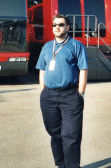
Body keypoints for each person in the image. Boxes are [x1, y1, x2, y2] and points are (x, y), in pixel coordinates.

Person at [36, 14, 89, 168]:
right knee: (55, 134)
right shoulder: (46, 47)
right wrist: (43, 91)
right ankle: (61, 165)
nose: (57, 27)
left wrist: (81, 93)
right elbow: (42, 69)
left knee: (71, 135)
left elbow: (83, 69)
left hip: (70, 96)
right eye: (54, 25)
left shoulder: (76, 45)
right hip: (49, 97)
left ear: (67, 27)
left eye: (60, 24)